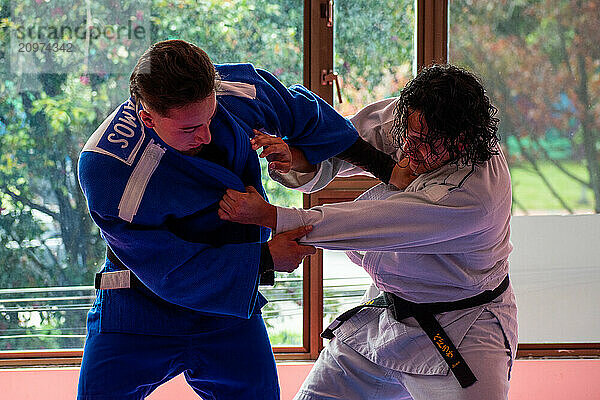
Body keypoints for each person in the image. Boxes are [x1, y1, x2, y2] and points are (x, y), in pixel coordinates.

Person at [76, 39, 361, 400]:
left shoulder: (229, 90)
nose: (206, 134)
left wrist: (383, 168)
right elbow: (164, 265)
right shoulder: (107, 167)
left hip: (227, 307)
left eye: (209, 118)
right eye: (188, 129)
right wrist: (267, 258)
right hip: (137, 305)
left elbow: (303, 113)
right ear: (147, 117)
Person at [218, 64, 518, 400]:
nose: (410, 148)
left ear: (461, 141)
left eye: (426, 145)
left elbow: (372, 222)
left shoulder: (475, 195)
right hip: (385, 318)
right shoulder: (413, 120)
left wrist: (273, 216)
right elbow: (345, 142)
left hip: (462, 328)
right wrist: (297, 157)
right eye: (409, 135)